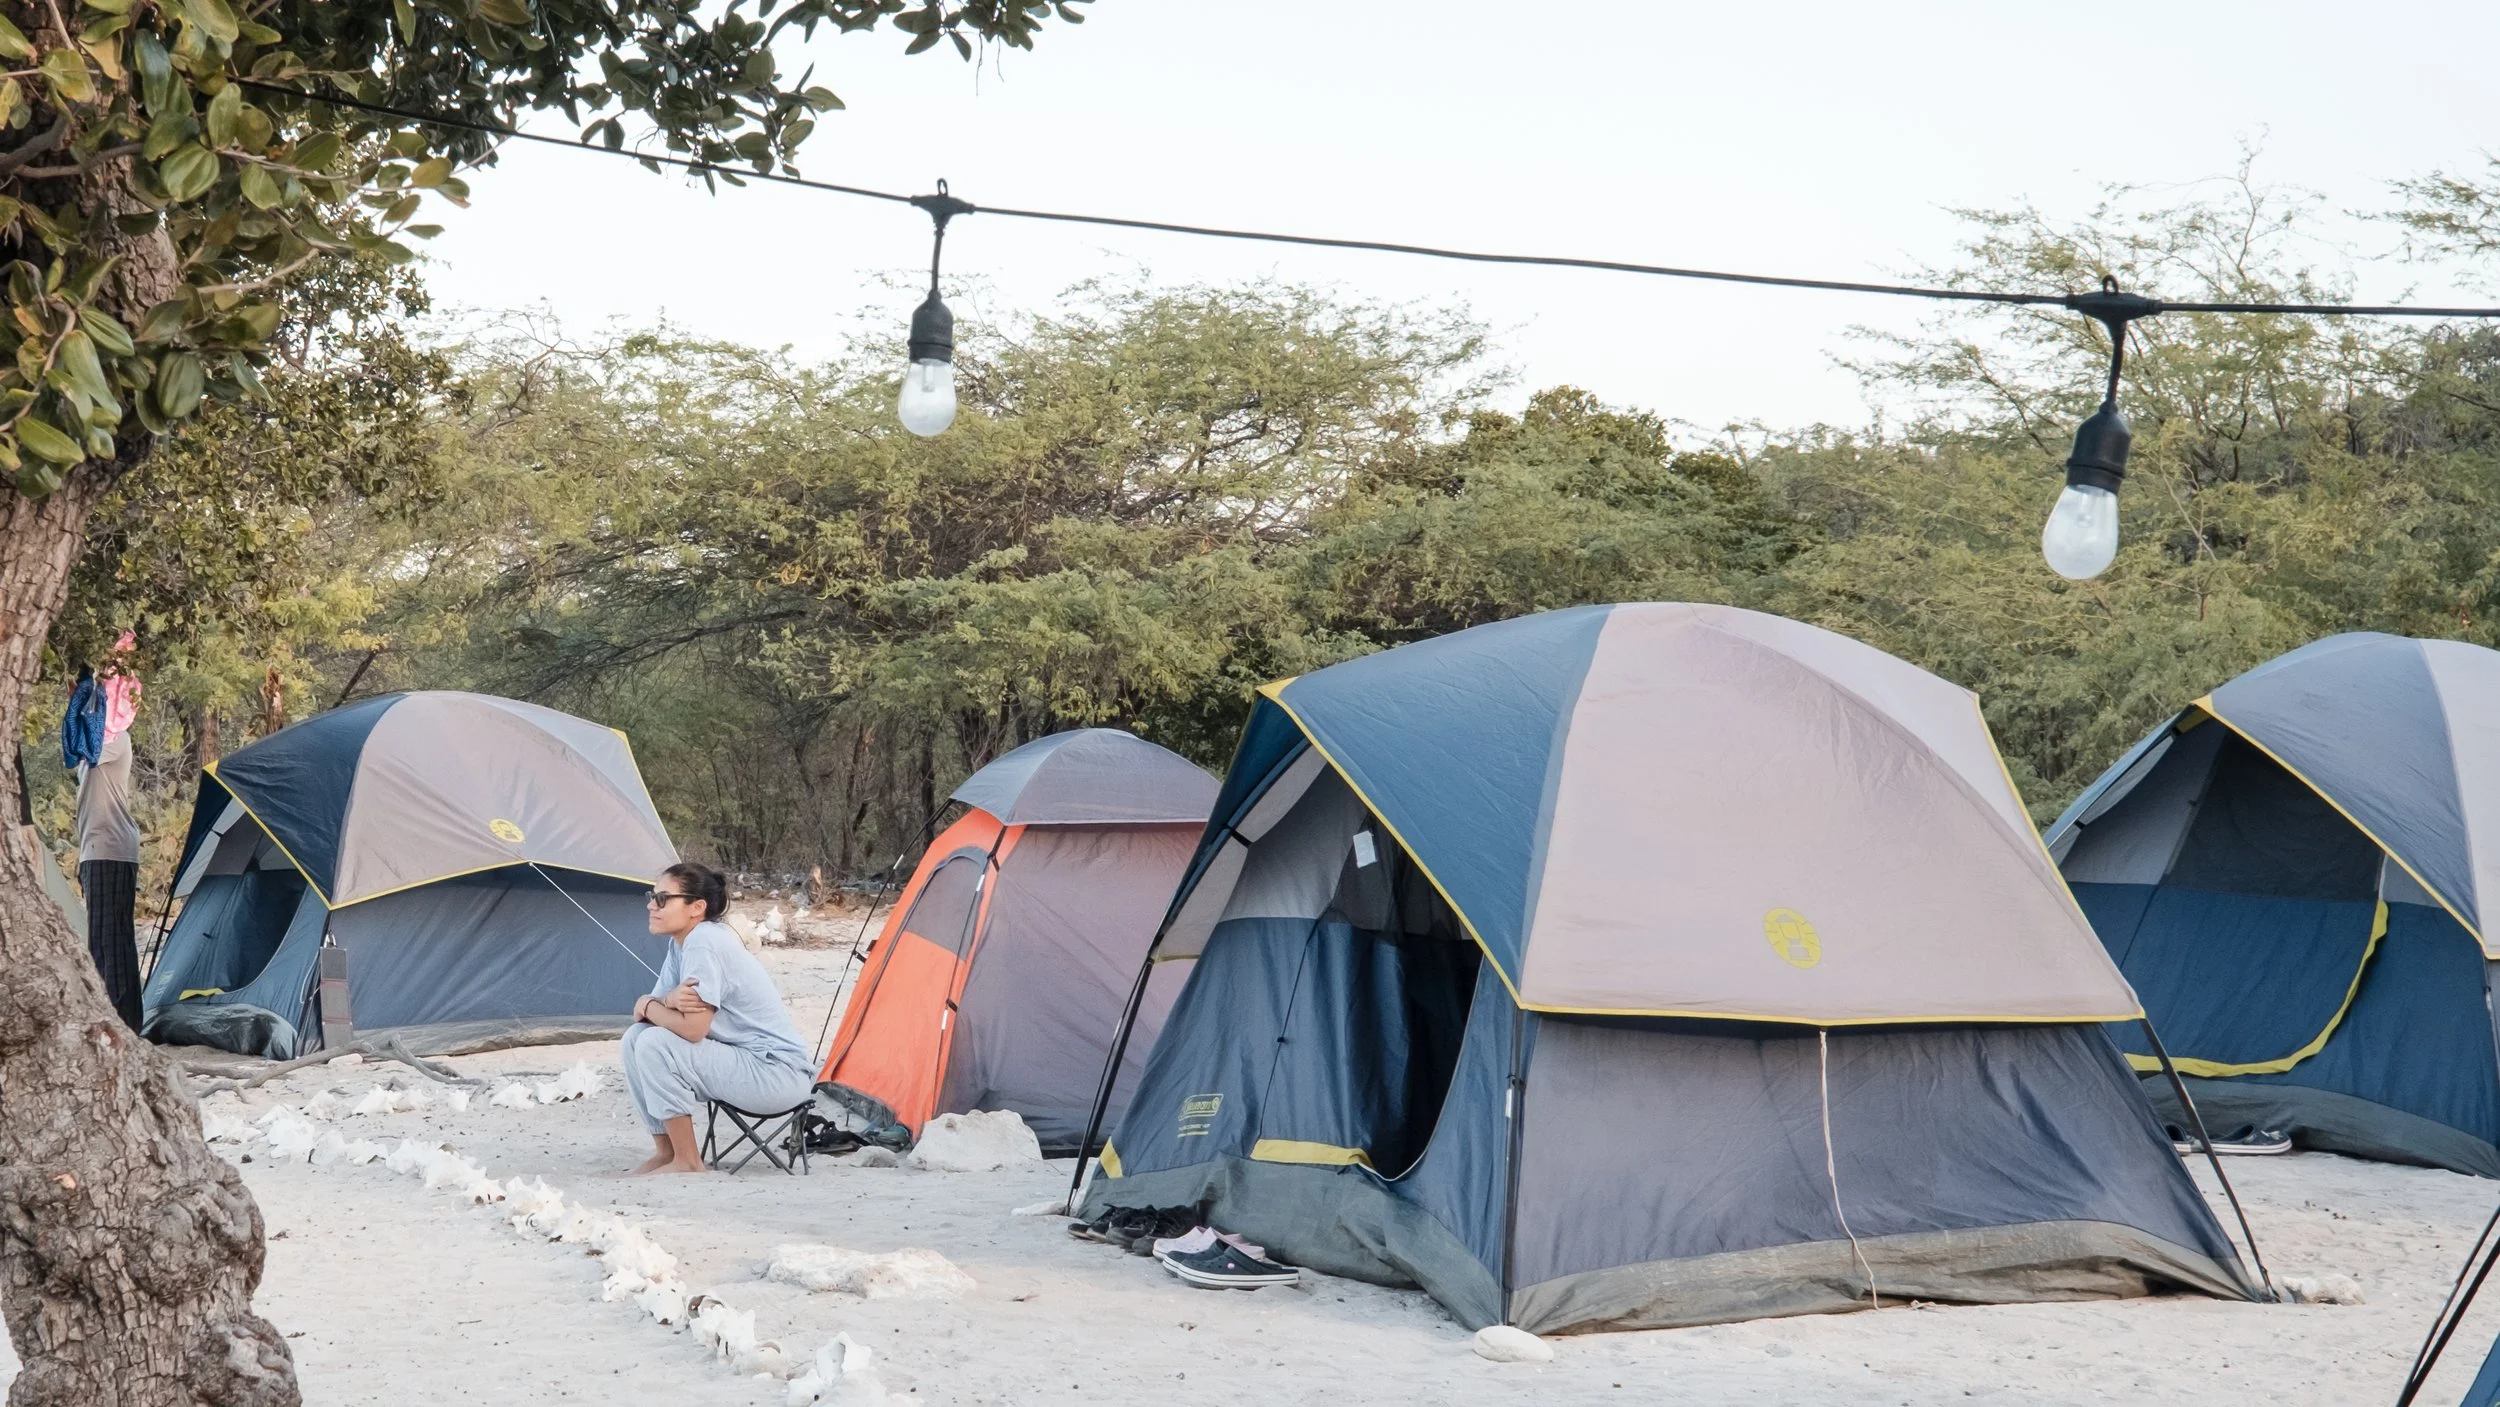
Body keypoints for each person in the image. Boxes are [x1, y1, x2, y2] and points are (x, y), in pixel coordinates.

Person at [622, 862, 814, 1174]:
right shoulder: (680, 944)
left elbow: (693, 1029)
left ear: (696, 907)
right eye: (651, 896)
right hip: (749, 1064)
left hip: (776, 1074)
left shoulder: (704, 941)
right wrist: (663, 1002)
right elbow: (641, 1018)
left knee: (655, 1043)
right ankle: (667, 1152)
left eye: (661, 898)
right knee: (635, 1039)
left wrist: (650, 1003)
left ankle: (688, 1161)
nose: (650, 905)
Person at [72, 632, 143, 1030]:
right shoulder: (95, 740)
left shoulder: (113, 740)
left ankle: (118, 1023)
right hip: (97, 846)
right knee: (110, 935)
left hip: (109, 848)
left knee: (107, 939)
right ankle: (128, 1021)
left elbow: (88, 745)